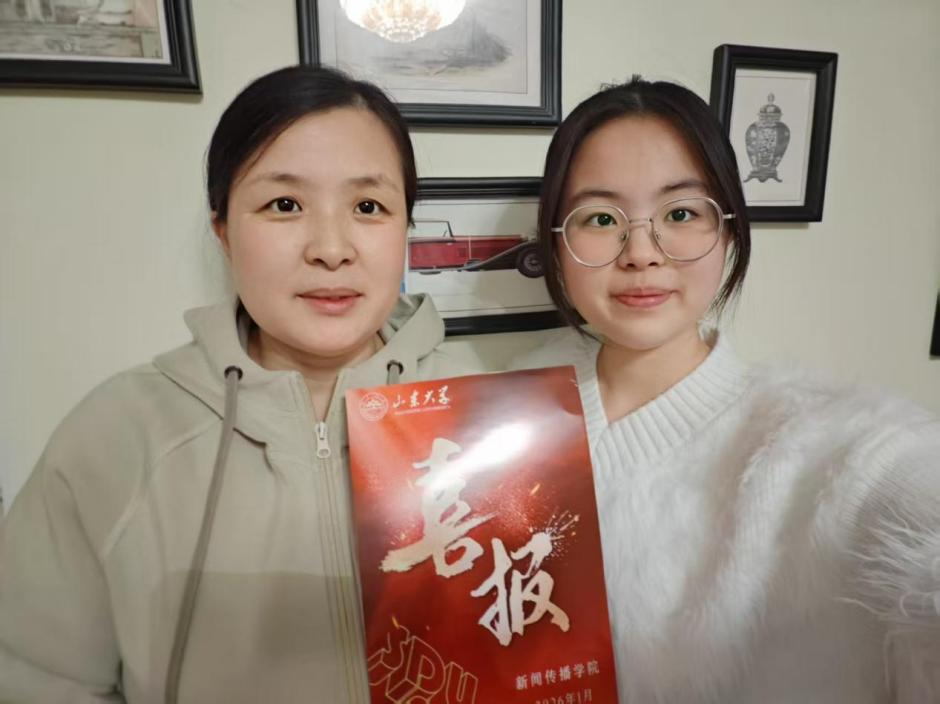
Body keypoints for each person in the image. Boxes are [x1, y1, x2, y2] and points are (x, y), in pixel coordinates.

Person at [0, 65, 481, 703]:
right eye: (284, 205)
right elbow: (37, 680)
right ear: (223, 230)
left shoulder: (494, 414)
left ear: (405, 229)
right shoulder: (116, 435)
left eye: (369, 207)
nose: (331, 248)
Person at [513, 77, 940, 703]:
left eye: (681, 214)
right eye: (601, 218)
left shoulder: (820, 450)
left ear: (730, 232)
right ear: (556, 245)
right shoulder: (500, 419)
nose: (641, 253)